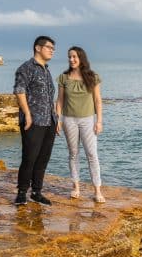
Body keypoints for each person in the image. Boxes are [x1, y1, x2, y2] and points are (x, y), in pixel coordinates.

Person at [56, 46, 105, 203]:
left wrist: (99, 121)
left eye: (74, 57)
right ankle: (76, 187)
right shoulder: (64, 78)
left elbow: (97, 100)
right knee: (73, 154)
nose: (71, 59)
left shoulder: (92, 76)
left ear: (81, 58)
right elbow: (60, 101)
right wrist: (58, 119)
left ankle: (97, 190)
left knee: (92, 154)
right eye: (69, 57)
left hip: (88, 120)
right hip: (69, 120)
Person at [13, 35, 58, 206]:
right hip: (33, 121)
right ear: (38, 48)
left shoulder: (46, 70)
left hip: (49, 121)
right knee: (29, 157)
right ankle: (22, 192)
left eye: (53, 49)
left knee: (43, 158)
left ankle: (37, 192)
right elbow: (19, 91)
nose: (52, 51)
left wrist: (56, 118)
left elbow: (49, 97)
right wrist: (28, 114)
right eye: (49, 47)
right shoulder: (26, 68)